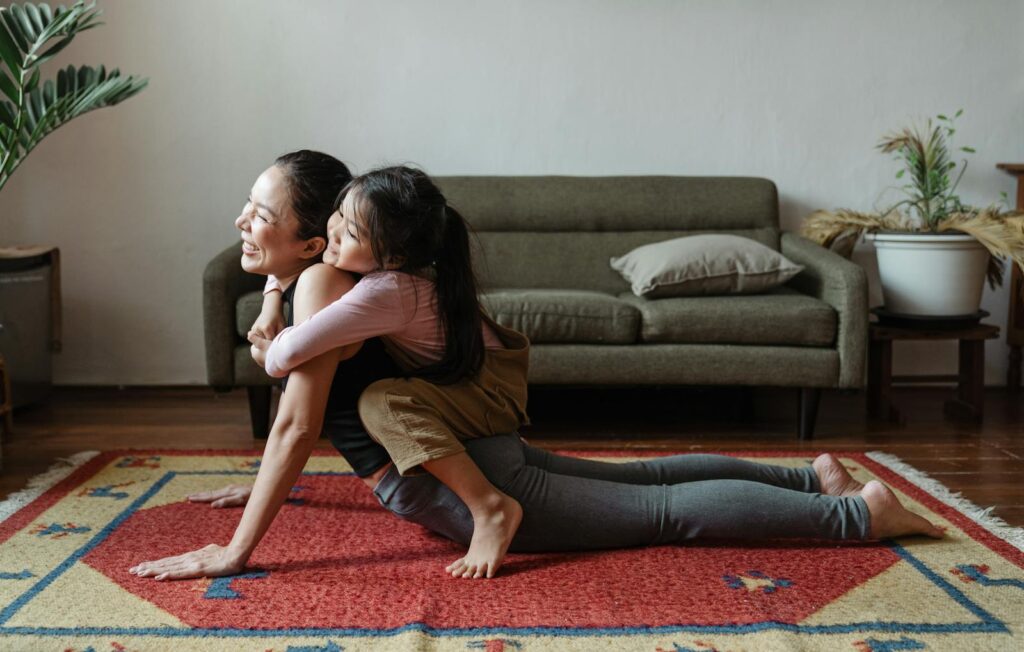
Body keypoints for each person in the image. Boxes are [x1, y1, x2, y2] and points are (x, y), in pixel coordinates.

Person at [128, 156, 943, 584]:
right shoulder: (334, 276)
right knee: (650, 481)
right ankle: (813, 479)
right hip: (478, 446)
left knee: (664, 515)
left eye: (262, 211)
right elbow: (298, 420)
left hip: (460, 482)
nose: (243, 218)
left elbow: (301, 418)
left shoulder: (325, 286)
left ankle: (861, 517)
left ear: (315, 242)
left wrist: (236, 550)